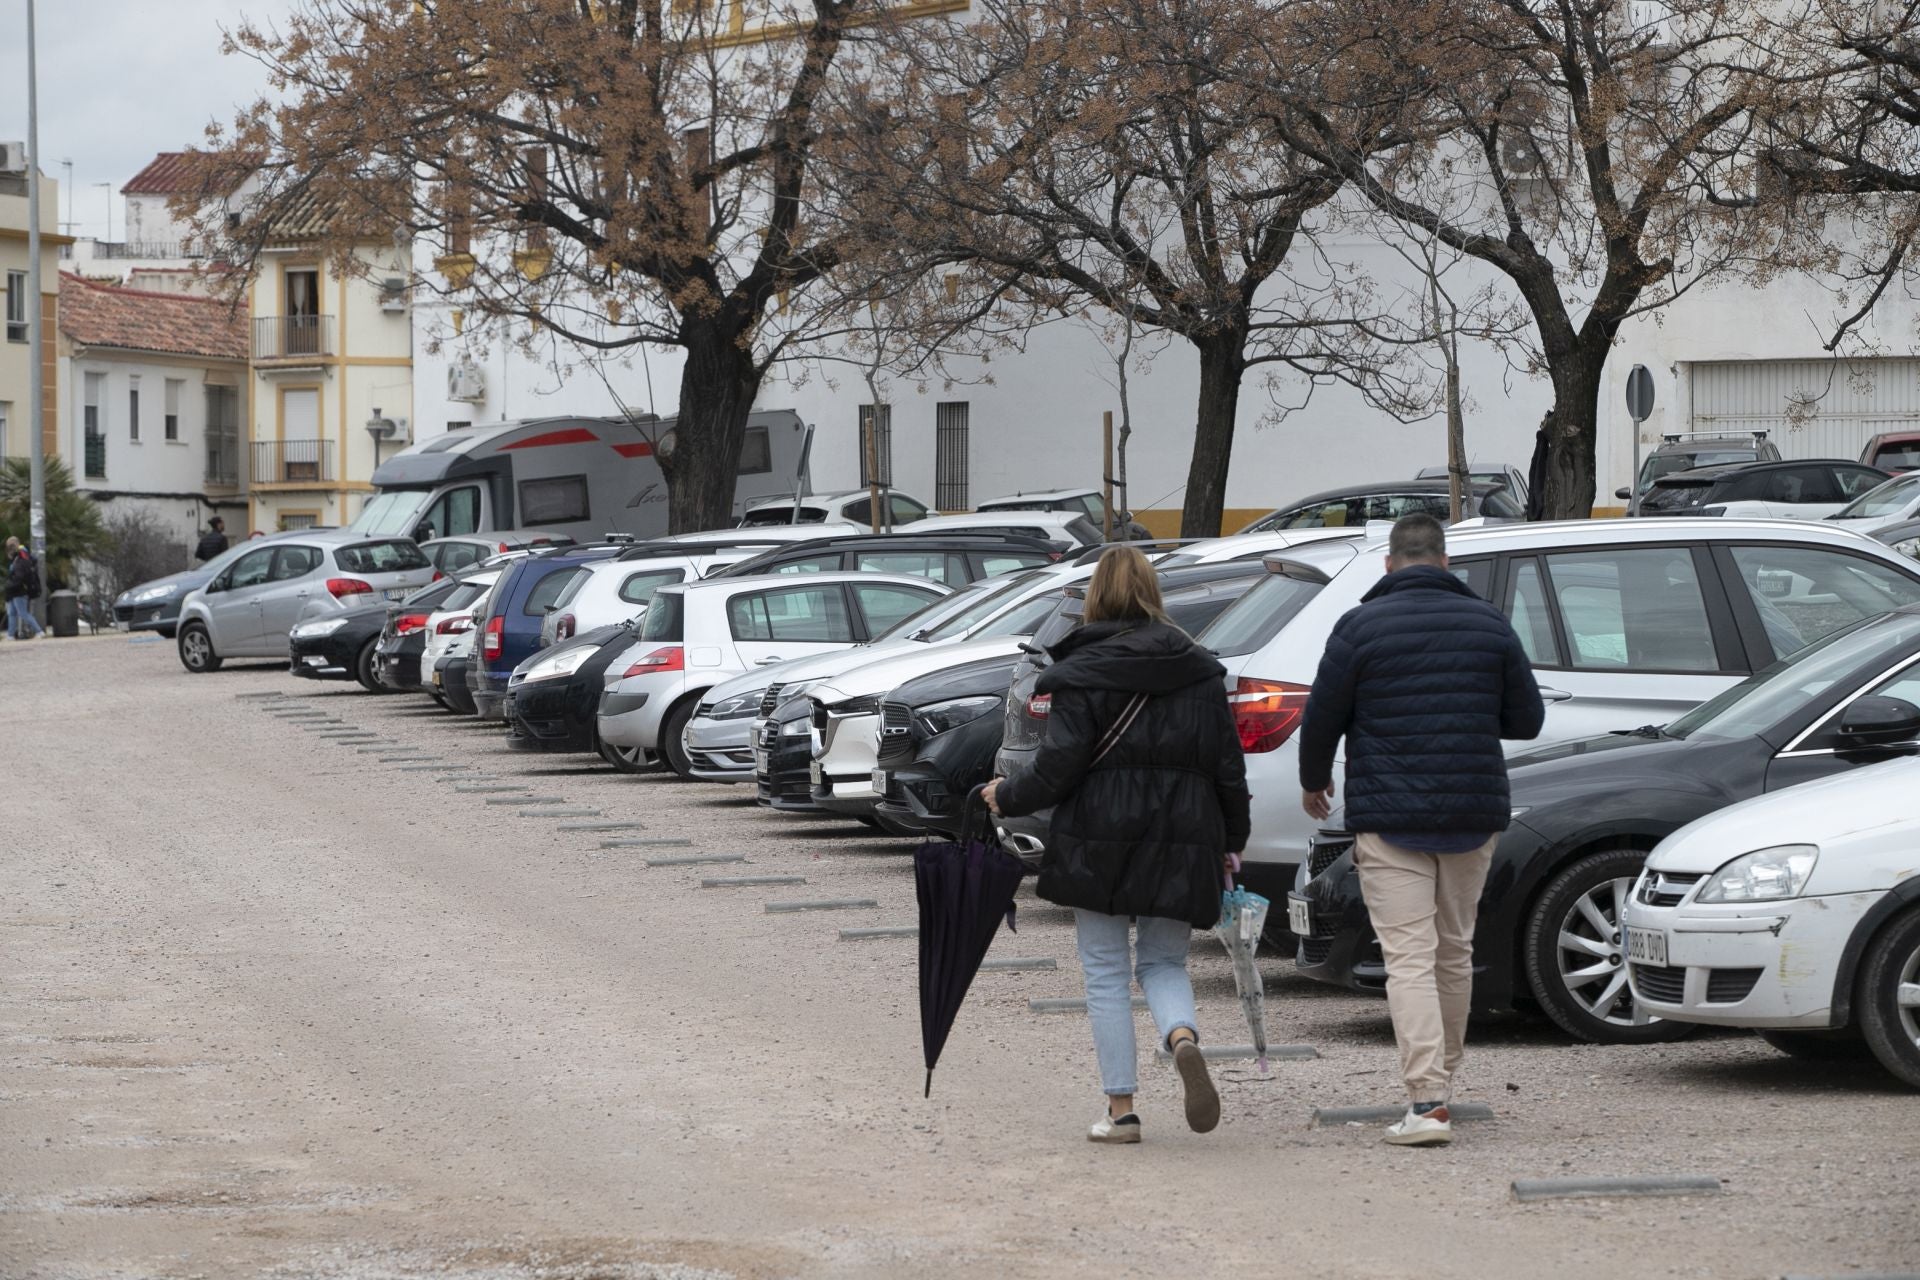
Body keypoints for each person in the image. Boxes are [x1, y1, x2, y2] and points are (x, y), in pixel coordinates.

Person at [984, 546, 1250, 1145]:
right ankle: (1181, 1035)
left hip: (1097, 835)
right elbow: (1227, 768)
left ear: (1094, 597)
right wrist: (1231, 842)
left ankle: (1122, 1110)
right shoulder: (1201, 670)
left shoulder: (1080, 671)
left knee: (1105, 972)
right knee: (1163, 961)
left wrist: (1007, 795)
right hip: (1185, 834)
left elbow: (1059, 766)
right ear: (1155, 594)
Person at [1298, 513, 1543, 1147]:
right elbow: (1527, 720)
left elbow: (1322, 714)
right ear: (1445, 562)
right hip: (1473, 810)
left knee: (1407, 958)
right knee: (1453, 950)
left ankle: (1427, 1097)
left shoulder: (1358, 627)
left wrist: (1314, 780)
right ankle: (1445, 1086)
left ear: (1389, 565)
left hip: (1390, 815)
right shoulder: (1490, 623)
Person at [5, 537, 45, 640]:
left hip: (19, 590)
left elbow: (19, 576)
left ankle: (39, 631)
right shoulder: (22, 557)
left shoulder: (20, 559)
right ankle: (10, 635)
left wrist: (10, 585)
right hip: (15, 591)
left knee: (22, 613)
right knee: (12, 613)